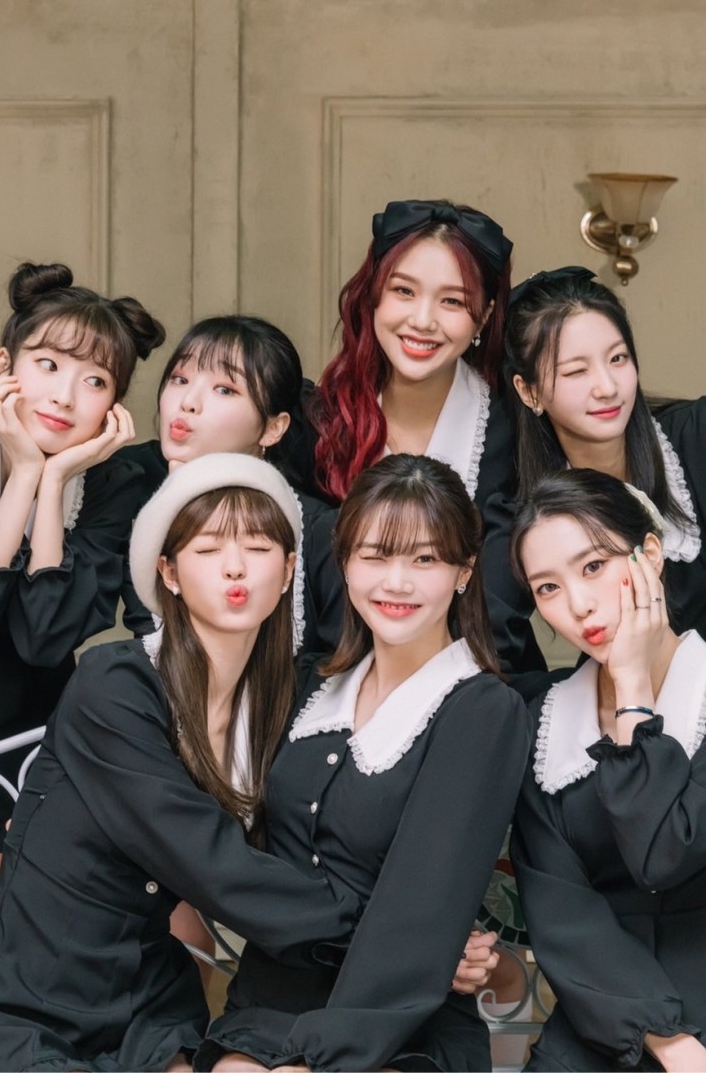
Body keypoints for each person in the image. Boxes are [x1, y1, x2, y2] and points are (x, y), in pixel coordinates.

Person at [0, 454, 360, 1072]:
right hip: (34, 1002)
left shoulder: (286, 704)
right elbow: (209, 859)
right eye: (208, 549)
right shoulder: (115, 685)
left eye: (259, 548)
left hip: (149, 1006)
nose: (236, 567)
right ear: (170, 573)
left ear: (290, 570)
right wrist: (374, 934)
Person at [196, 453, 530, 1073]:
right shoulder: (307, 687)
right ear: (345, 562)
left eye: (425, 559)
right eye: (375, 555)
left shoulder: (482, 710)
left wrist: (315, 1060)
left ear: (463, 571)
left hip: (399, 1023)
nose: (396, 583)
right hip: (267, 1005)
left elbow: (423, 909)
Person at [510, 469, 706, 1072]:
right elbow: (560, 911)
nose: (578, 605)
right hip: (605, 1022)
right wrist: (668, 1043)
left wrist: (633, 694)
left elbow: (664, 854)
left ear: (651, 554)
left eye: (593, 566)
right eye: (548, 588)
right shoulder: (544, 722)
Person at [305, 198, 546, 674]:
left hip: (487, 682)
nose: (422, 320)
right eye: (404, 291)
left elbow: (503, 605)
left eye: (452, 301)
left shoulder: (517, 431)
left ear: (484, 317)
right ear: (372, 296)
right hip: (339, 682)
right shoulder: (317, 422)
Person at [0, 260, 164, 873]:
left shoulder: (113, 485)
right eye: (48, 365)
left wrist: (52, 477)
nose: (65, 395)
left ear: (113, 407)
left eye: (95, 381)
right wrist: (22, 477)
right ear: (4, 368)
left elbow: (44, 637)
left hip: (37, 744)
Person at [119, 315, 342, 655]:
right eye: (180, 379)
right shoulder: (133, 492)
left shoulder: (318, 531)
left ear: (272, 428)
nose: (188, 401)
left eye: (224, 389)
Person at [504, 266, 705, 639]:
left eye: (617, 359)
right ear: (528, 391)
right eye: (576, 371)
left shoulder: (697, 437)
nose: (607, 387)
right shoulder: (527, 508)